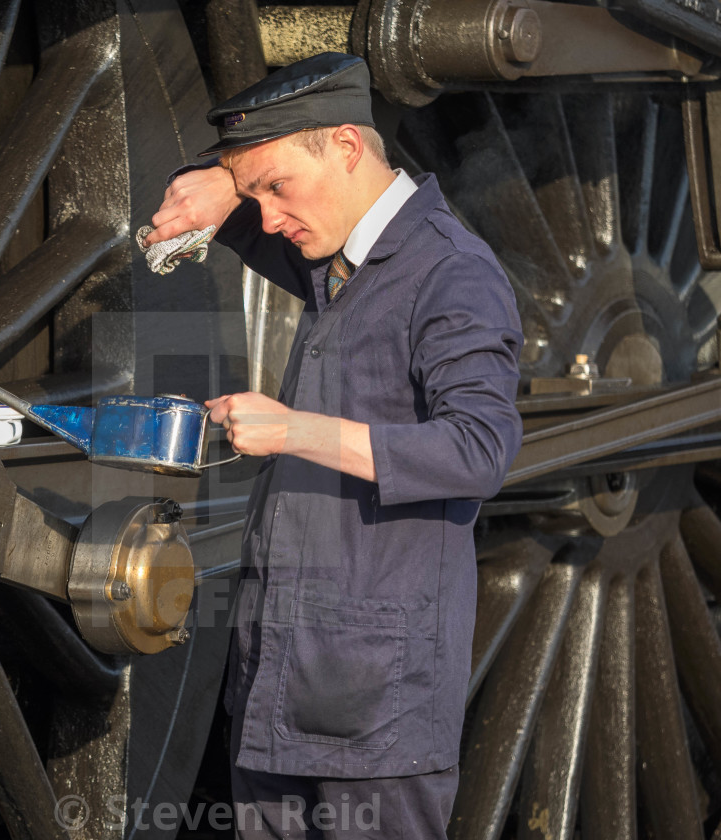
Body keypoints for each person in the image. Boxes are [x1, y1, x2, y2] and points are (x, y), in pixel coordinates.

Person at [144, 53, 523, 840]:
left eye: (277, 188)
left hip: (378, 710)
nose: (271, 216)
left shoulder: (454, 274)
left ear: (348, 146)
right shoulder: (331, 251)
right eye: (260, 196)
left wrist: (291, 431)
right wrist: (229, 179)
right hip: (277, 682)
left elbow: (480, 450)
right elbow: (249, 209)